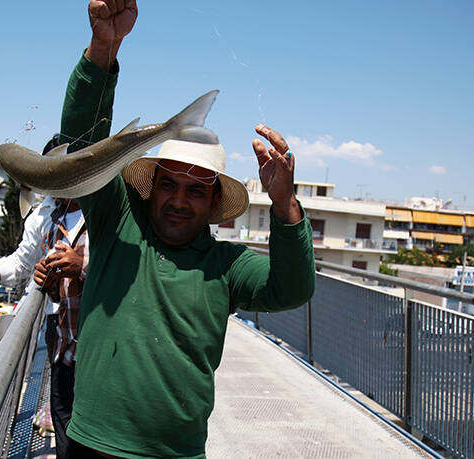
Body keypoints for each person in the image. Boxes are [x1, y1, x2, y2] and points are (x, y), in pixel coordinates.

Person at [57, 1, 315, 457]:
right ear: (149, 187)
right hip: (89, 445)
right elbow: (83, 145)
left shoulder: (227, 266)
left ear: (216, 202)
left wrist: (285, 205)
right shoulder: (117, 219)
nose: (178, 200)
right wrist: (103, 48)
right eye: (169, 185)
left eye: (196, 191)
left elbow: (290, 289)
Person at [0, 135, 86, 459]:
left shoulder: (104, 213)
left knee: (94, 426)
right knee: (65, 415)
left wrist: (82, 266)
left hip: (100, 334)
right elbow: (22, 261)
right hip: (62, 332)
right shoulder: (45, 214)